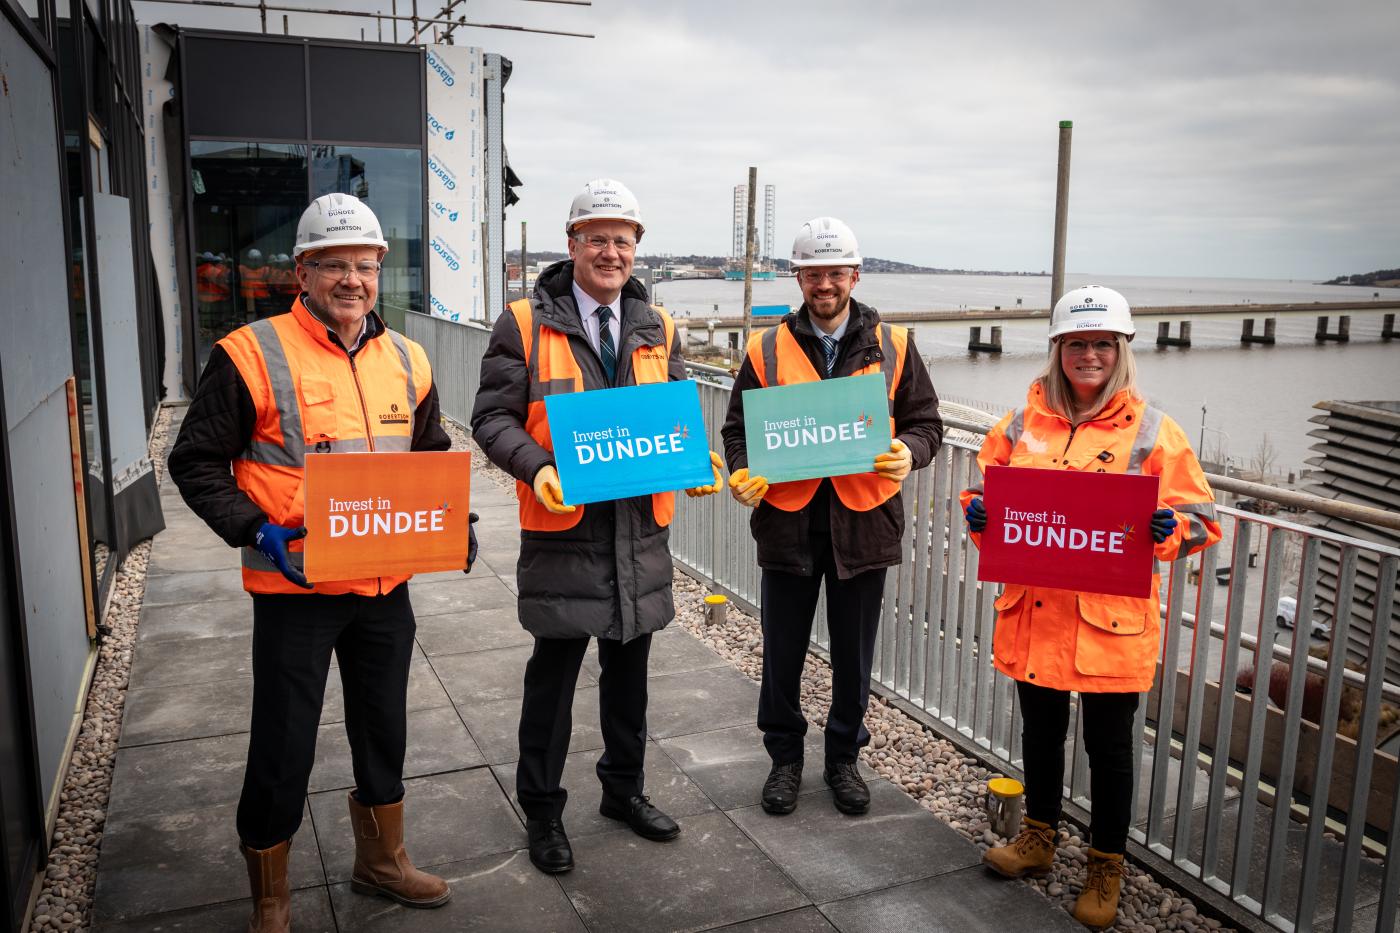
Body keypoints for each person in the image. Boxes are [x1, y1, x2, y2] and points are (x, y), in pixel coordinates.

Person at [170, 193, 472, 932]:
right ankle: (270, 896)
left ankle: (381, 861)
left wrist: (453, 520)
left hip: (383, 584)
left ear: (380, 273)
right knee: (283, 741)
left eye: (365, 265)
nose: (352, 279)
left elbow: (427, 456)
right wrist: (253, 527)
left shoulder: (408, 357)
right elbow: (195, 460)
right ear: (301, 272)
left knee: (383, 727)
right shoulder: (250, 353)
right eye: (333, 263)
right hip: (295, 585)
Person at [470, 178, 723, 874]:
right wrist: (536, 467)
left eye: (624, 240)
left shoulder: (658, 326)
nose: (611, 252)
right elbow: (490, 418)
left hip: (637, 538)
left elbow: (668, 420)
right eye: (598, 238)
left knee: (629, 677)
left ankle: (624, 790)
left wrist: (692, 460)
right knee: (552, 679)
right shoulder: (523, 324)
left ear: (637, 250)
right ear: (573, 244)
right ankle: (544, 811)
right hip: (563, 534)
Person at [961, 285, 1221, 930]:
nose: (1089, 355)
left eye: (1102, 343)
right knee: (1041, 735)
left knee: (1109, 749)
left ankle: (1107, 863)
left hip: (1109, 621)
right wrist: (979, 516)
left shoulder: (1157, 430)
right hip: (1036, 610)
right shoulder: (1020, 425)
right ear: (1057, 349)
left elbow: (1201, 520)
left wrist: (1172, 532)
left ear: (1121, 350)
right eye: (1077, 343)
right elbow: (982, 495)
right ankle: (1040, 838)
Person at [720, 217, 943, 817]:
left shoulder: (893, 345)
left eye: (834, 272)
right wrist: (742, 473)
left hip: (863, 524)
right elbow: (738, 430)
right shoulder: (766, 348)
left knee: (853, 655)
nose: (824, 283)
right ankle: (785, 759)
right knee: (782, 653)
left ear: (855, 275)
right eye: (812, 272)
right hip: (788, 526)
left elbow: (927, 424)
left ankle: (843, 757)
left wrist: (909, 452)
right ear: (798, 276)